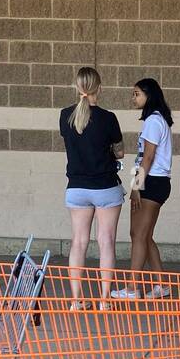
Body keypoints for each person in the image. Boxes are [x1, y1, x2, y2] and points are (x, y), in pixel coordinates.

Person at [59, 66, 124, 306]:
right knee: (106, 241)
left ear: (77, 87)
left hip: (76, 187)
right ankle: (105, 299)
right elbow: (119, 152)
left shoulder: (65, 115)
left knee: (78, 241)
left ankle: (77, 300)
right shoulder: (108, 118)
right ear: (100, 88)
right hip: (105, 186)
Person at [112, 78, 174, 300]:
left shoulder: (154, 121)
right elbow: (143, 158)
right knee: (143, 236)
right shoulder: (154, 121)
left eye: (137, 93)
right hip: (151, 180)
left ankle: (131, 288)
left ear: (149, 95)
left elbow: (148, 156)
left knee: (138, 235)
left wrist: (137, 186)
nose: (133, 97)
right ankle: (162, 285)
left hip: (152, 181)